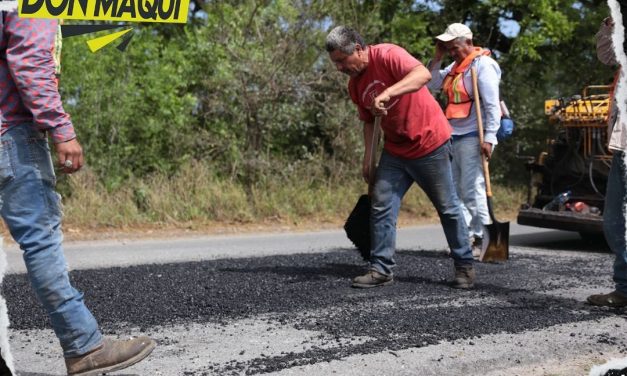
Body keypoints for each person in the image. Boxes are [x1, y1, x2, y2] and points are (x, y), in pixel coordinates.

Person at [0, 11, 156, 374]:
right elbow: (30, 60)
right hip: (10, 135)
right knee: (40, 241)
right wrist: (61, 129)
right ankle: (83, 345)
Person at [325, 26, 475, 289]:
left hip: (430, 143)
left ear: (358, 50)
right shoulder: (355, 85)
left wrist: (388, 92)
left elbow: (423, 74)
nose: (339, 68)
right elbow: (368, 121)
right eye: (335, 63)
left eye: (341, 60)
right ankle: (381, 269)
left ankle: (464, 266)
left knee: (448, 208)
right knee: (381, 206)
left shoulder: (388, 55)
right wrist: (367, 159)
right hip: (395, 150)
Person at [426, 23, 501, 258]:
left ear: (468, 42)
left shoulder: (483, 65)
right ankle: (465, 238)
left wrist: (489, 138)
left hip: (473, 136)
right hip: (452, 135)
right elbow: (431, 83)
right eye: (448, 48)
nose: (452, 52)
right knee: (456, 191)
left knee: (471, 188)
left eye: (454, 47)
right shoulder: (455, 66)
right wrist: (437, 57)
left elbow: (491, 105)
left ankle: (483, 239)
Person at [586, 14, 627, 308]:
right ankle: (624, 288)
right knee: (614, 221)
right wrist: (611, 24)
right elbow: (606, 55)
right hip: (622, 144)